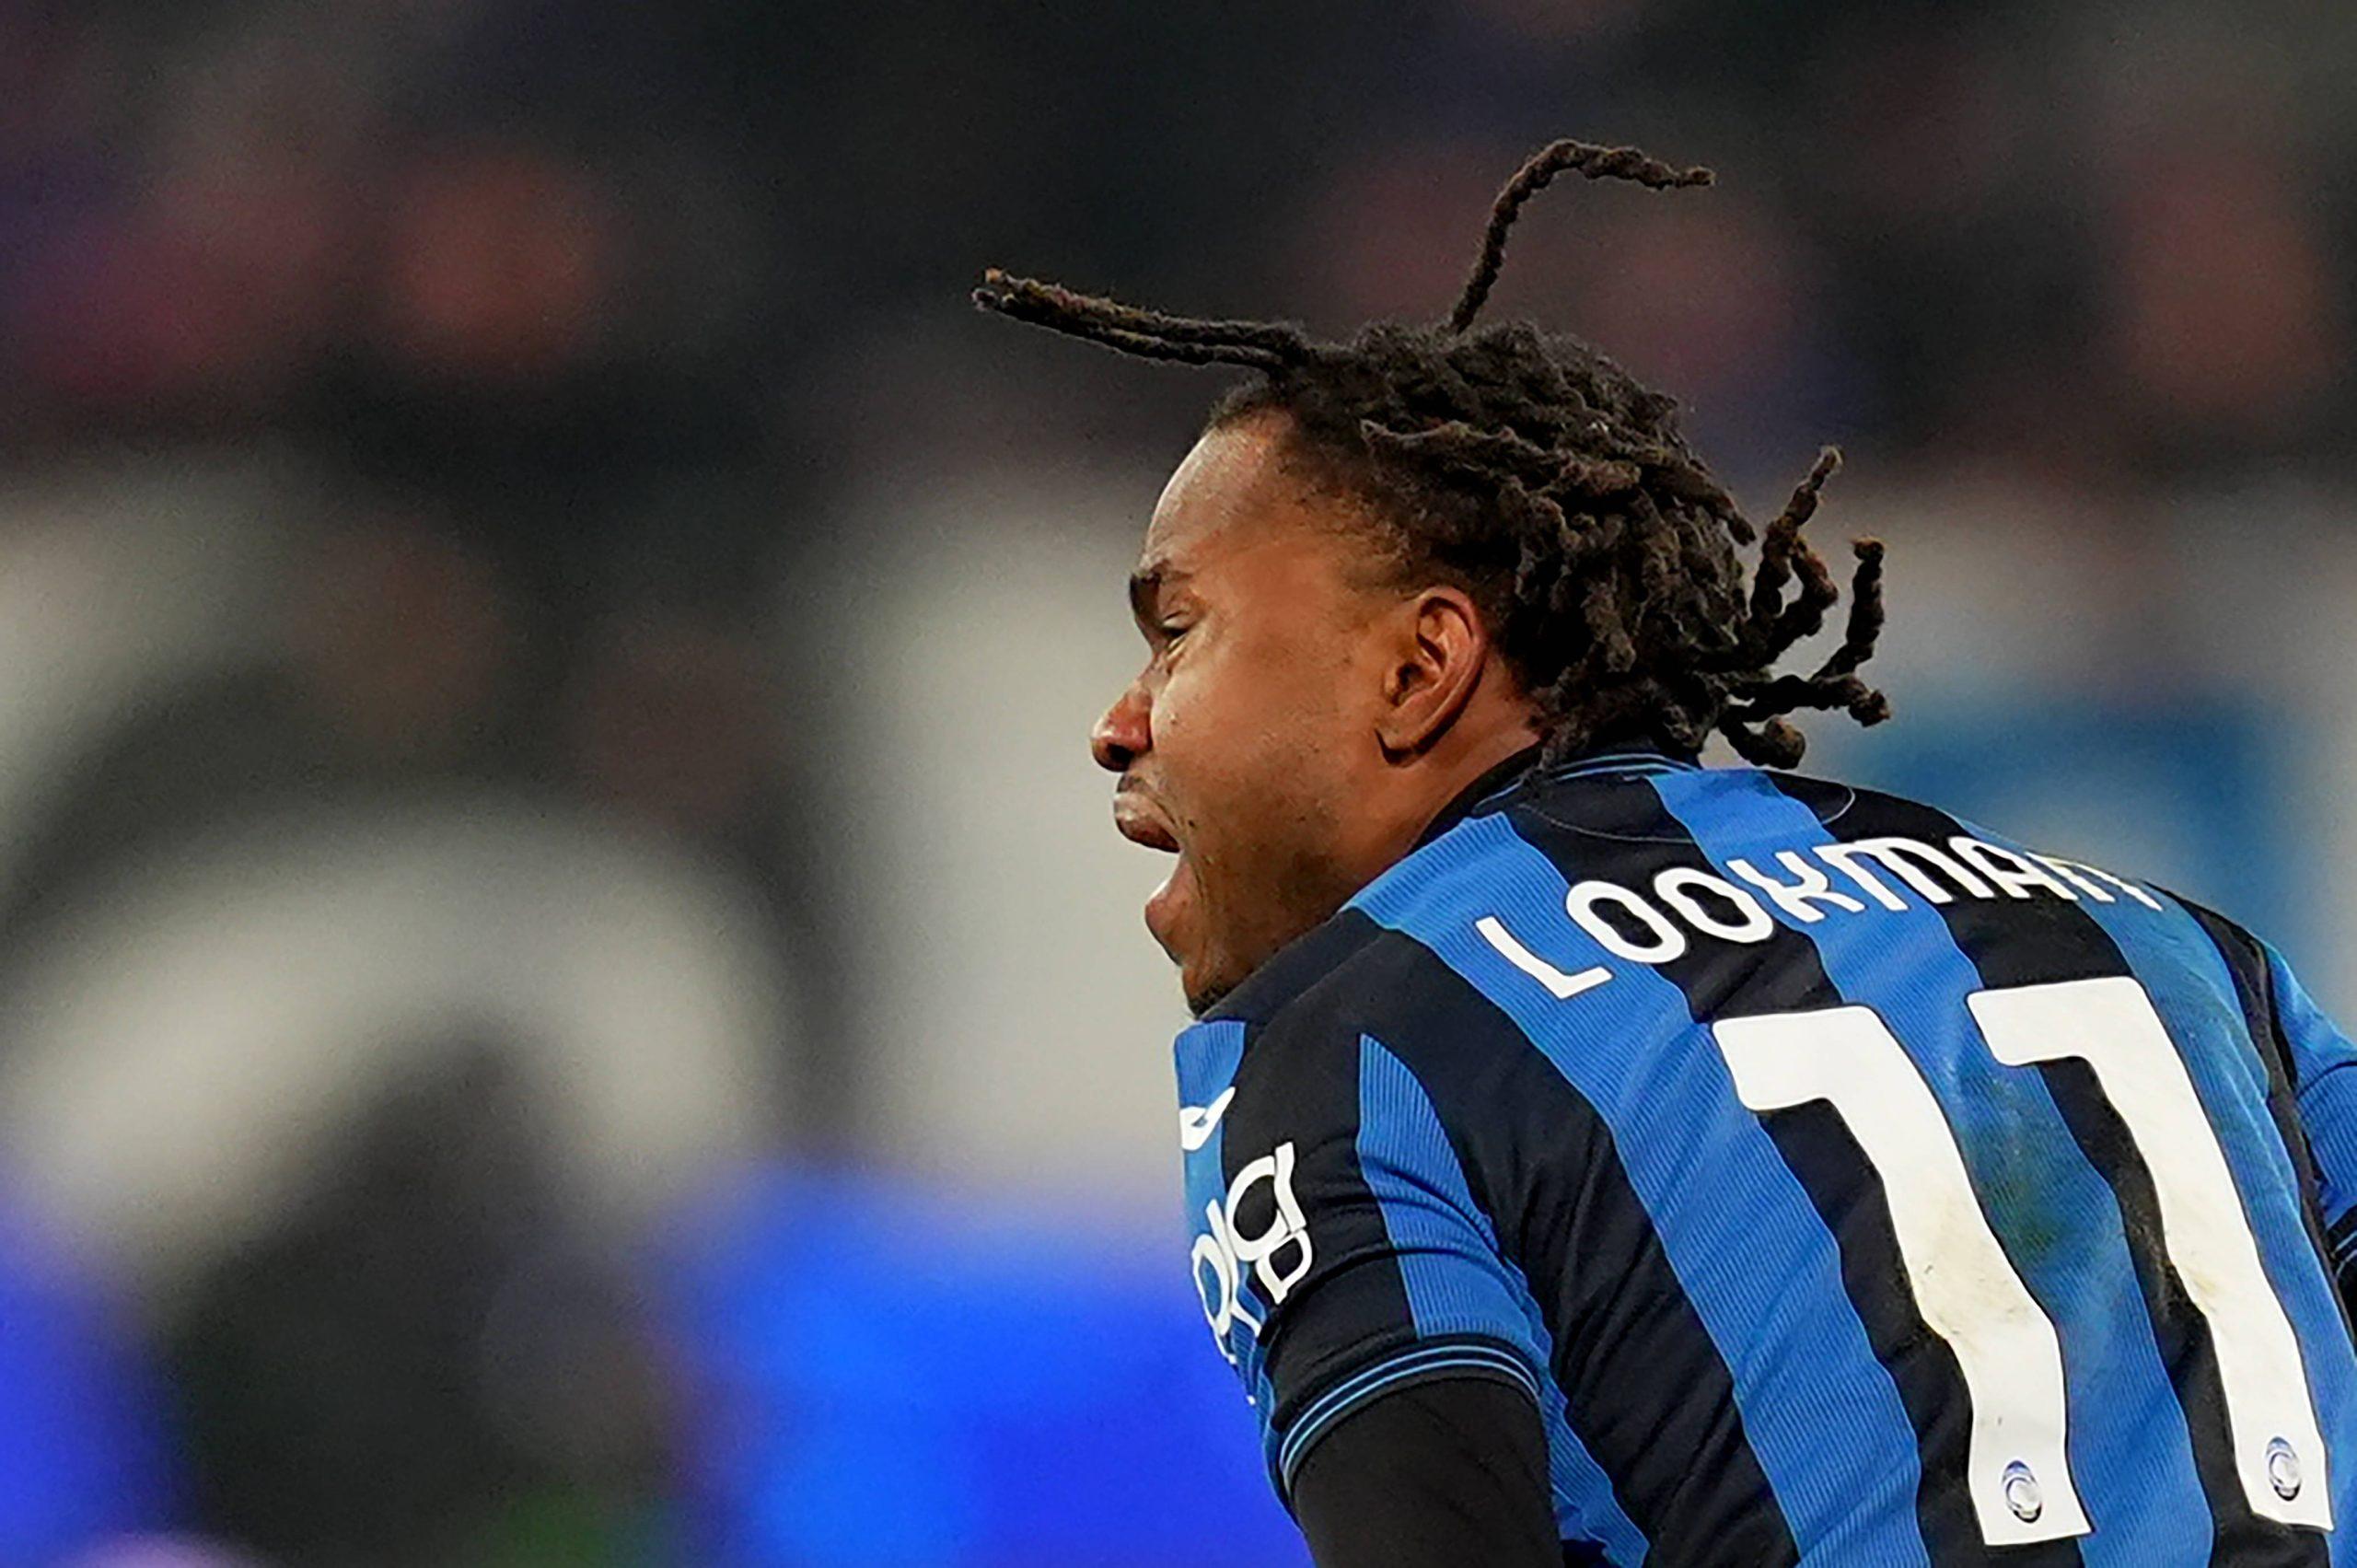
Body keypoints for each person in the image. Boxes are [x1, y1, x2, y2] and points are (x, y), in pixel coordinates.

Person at [975, 139, 2357, 1566]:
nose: (1120, 724)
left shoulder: (1354, 1051)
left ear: (1420, 668)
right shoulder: (2188, 953)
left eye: (1178, 631)